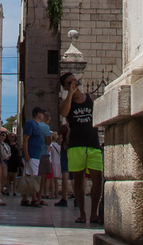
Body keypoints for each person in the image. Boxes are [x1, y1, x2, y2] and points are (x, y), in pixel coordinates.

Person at [60, 71, 105, 225]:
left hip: (93, 144)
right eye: (69, 83)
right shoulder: (67, 102)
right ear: (65, 87)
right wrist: (70, 94)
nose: (74, 83)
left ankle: (94, 213)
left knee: (97, 178)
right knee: (78, 181)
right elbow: (64, 113)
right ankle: (82, 213)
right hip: (76, 146)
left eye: (74, 80)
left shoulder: (91, 98)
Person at [21, 108, 50, 206]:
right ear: (38, 114)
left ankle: (25, 198)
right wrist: (26, 154)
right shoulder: (31, 124)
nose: (43, 115)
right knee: (32, 177)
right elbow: (25, 139)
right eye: (42, 113)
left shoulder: (36, 125)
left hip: (35, 155)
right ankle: (34, 199)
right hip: (31, 154)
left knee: (31, 176)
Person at [45, 129, 63, 202]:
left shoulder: (51, 145)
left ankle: (52, 193)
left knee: (51, 179)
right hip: (58, 162)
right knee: (56, 180)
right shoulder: (59, 146)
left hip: (53, 162)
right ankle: (56, 194)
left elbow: (48, 153)